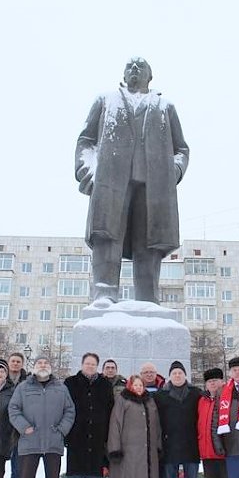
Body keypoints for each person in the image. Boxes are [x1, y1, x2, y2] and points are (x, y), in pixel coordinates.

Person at [75, 56, 189, 304]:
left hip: (154, 184)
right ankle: (104, 293)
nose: (135, 69)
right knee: (107, 235)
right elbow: (86, 141)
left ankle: (147, 298)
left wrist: (174, 173)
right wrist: (89, 170)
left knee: (149, 241)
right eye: (130, 66)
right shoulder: (106, 100)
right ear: (124, 74)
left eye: (141, 66)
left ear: (150, 75)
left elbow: (181, 150)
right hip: (111, 180)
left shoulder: (165, 106)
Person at [8, 355, 75, 478]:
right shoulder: (23, 387)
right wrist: (24, 427)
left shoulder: (61, 388)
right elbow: (13, 409)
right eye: (39, 363)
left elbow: (70, 411)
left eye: (46, 363)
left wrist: (61, 429)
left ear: (51, 367)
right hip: (29, 441)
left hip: (53, 441)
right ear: (34, 366)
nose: (43, 365)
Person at [64, 353, 114, 478]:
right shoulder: (70, 383)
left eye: (93, 364)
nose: (90, 366)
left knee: (94, 475)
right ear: (82, 364)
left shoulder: (105, 385)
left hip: (98, 437)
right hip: (76, 435)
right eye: (87, 363)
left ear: (97, 366)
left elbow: (110, 409)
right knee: (77, 476)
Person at [108, 375, 162, 478]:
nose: (138, 388)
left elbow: (157, 425)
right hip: (128, 449)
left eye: (141, 385)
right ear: (130, 386)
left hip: (147, 450)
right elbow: (115, 425)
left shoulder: (149, 401)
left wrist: (157, 446)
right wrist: (115, 448)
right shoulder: (123, 400)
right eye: (136, 385)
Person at [154, 361, 201, 478]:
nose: (177, 375)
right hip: (169, 445)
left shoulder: (196, 393)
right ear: (169, 376)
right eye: (174, 373)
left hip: (191, 444)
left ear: (185, 375)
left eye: (180, 373)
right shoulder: (161, 395)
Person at [197, 368, 229, 478]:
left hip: (224, 452)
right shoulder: (202, 400)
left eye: (215, 380)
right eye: (210, 381)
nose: (213, 384)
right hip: (207, 452)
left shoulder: (227, 397)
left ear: (222, 382)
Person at [102, 358, 127, 478]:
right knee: (102, 463)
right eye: (107, 367)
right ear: (103, 369)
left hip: (118, 428)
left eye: (112, 367)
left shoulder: (124, 384)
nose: (110, 370)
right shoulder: (98, 382)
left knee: (117, 464)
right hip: (101, 427)